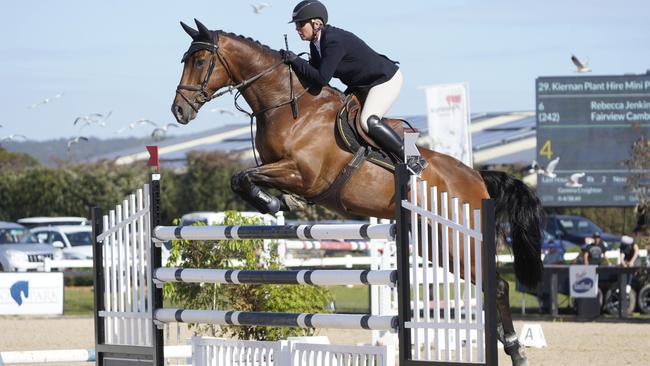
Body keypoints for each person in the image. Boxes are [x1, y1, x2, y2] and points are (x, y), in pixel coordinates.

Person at [282, 0, 427, 174]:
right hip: (361, 85)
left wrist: (296, 61)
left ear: (316, 23)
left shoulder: (333, 41)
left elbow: (321, 78)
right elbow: (313, 76)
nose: (297, 29)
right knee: (337, 116)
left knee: (368, 121)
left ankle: (412, 158)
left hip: (384, 80)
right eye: (297, 25)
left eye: (300, 24)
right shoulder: (315, 44)